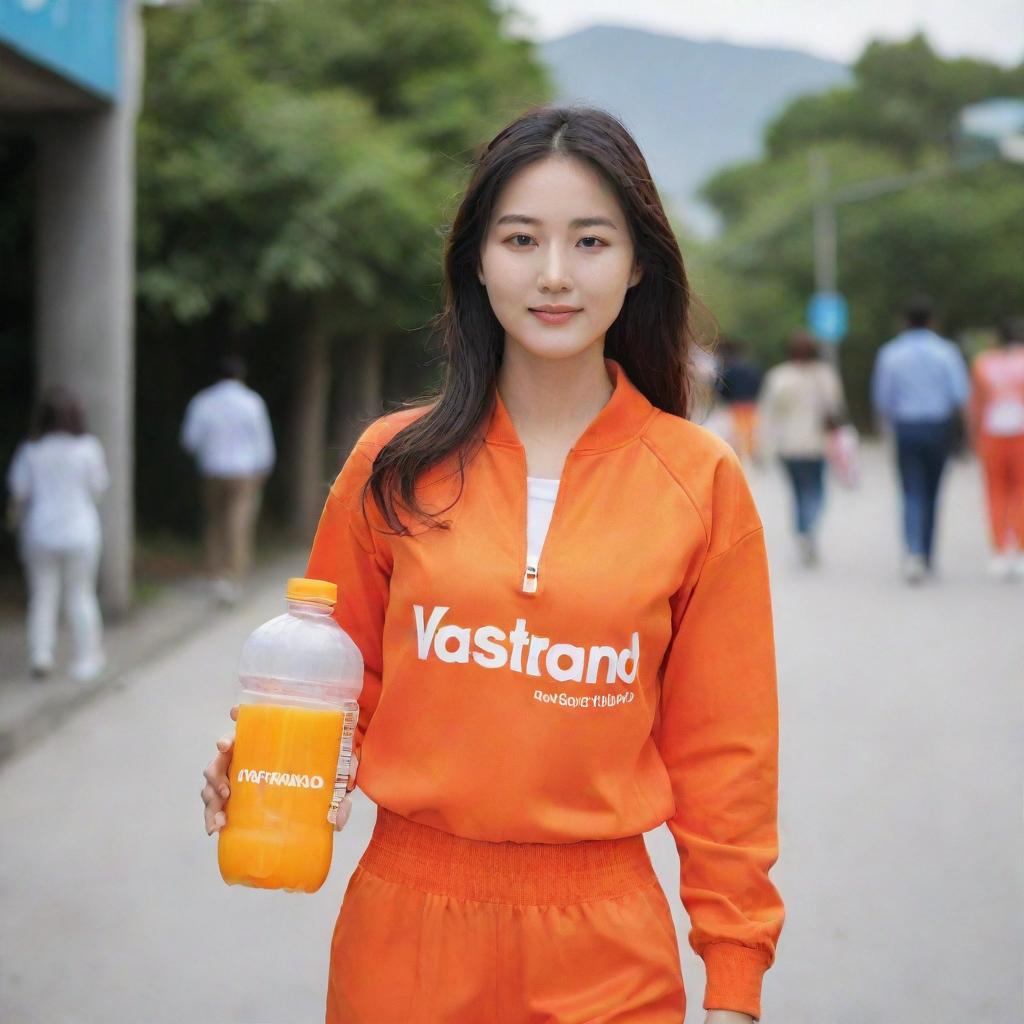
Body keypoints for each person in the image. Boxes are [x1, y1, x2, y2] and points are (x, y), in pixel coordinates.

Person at [201, 106, 784, 1024]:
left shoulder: (699, 481)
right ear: (477, 259)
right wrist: (262, 765)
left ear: (639, 265)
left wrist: (736, 982)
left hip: (607, 946)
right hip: (405, 933)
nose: (554, 274)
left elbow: (728, 757)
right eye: (521, 239)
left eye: (590, 241)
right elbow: (332, 691)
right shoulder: (391, 464)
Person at [5, 387, 109, 681]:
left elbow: (19, 494)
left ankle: (41, 654)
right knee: (80, 594)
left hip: (41, 532)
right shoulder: (88, 448)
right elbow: (98, 488)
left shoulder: (31, 451)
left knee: (42, 596)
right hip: (81, 532)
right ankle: (86, 659)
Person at [871, 296, 970, 584]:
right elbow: (959, 395)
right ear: (932, 321)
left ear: (905, 321)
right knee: (933, 491)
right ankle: (927, 554)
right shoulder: (947, 352)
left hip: (906, 428)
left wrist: (885, 430)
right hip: (938, 427)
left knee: (910, 490)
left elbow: (882, 398)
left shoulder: (890, 353)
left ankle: (913, 552)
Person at [180, 355, 275, 604]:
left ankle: (214, 575)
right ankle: (235, 578)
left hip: (212, 469)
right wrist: (263, 470)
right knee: (238, 523)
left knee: (214, 522)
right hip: (244, 471)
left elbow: (190, 440)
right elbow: (263, 441)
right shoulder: (252, 402)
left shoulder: (203, 401)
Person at [758, 332, 846, 566]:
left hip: (787, 446)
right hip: (817, 445)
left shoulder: (778, 377)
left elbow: (767, 414)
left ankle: (803, 532)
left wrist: (763, 447)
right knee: (816, 492)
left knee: (798, 493)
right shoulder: (824, 376)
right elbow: (836, 409)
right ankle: (808, 530)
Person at [968, 316, 1024, 579]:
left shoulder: (984, 363)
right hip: (1020, 434)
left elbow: (976, 405)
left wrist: (972, 436)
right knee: (1021, 492)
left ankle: (1001, 549)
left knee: (996, 492)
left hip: (993, 433)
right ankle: (1021, 550)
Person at [715, 338, 764, 463]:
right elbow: (758, 382)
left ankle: (740, 454)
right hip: (750, 401)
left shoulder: (727, 368)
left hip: (735, 402)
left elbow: (721, 386)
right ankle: (751, 452)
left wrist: (725, 398)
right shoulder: (750, 366)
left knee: (737, 429)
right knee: (750, 429)